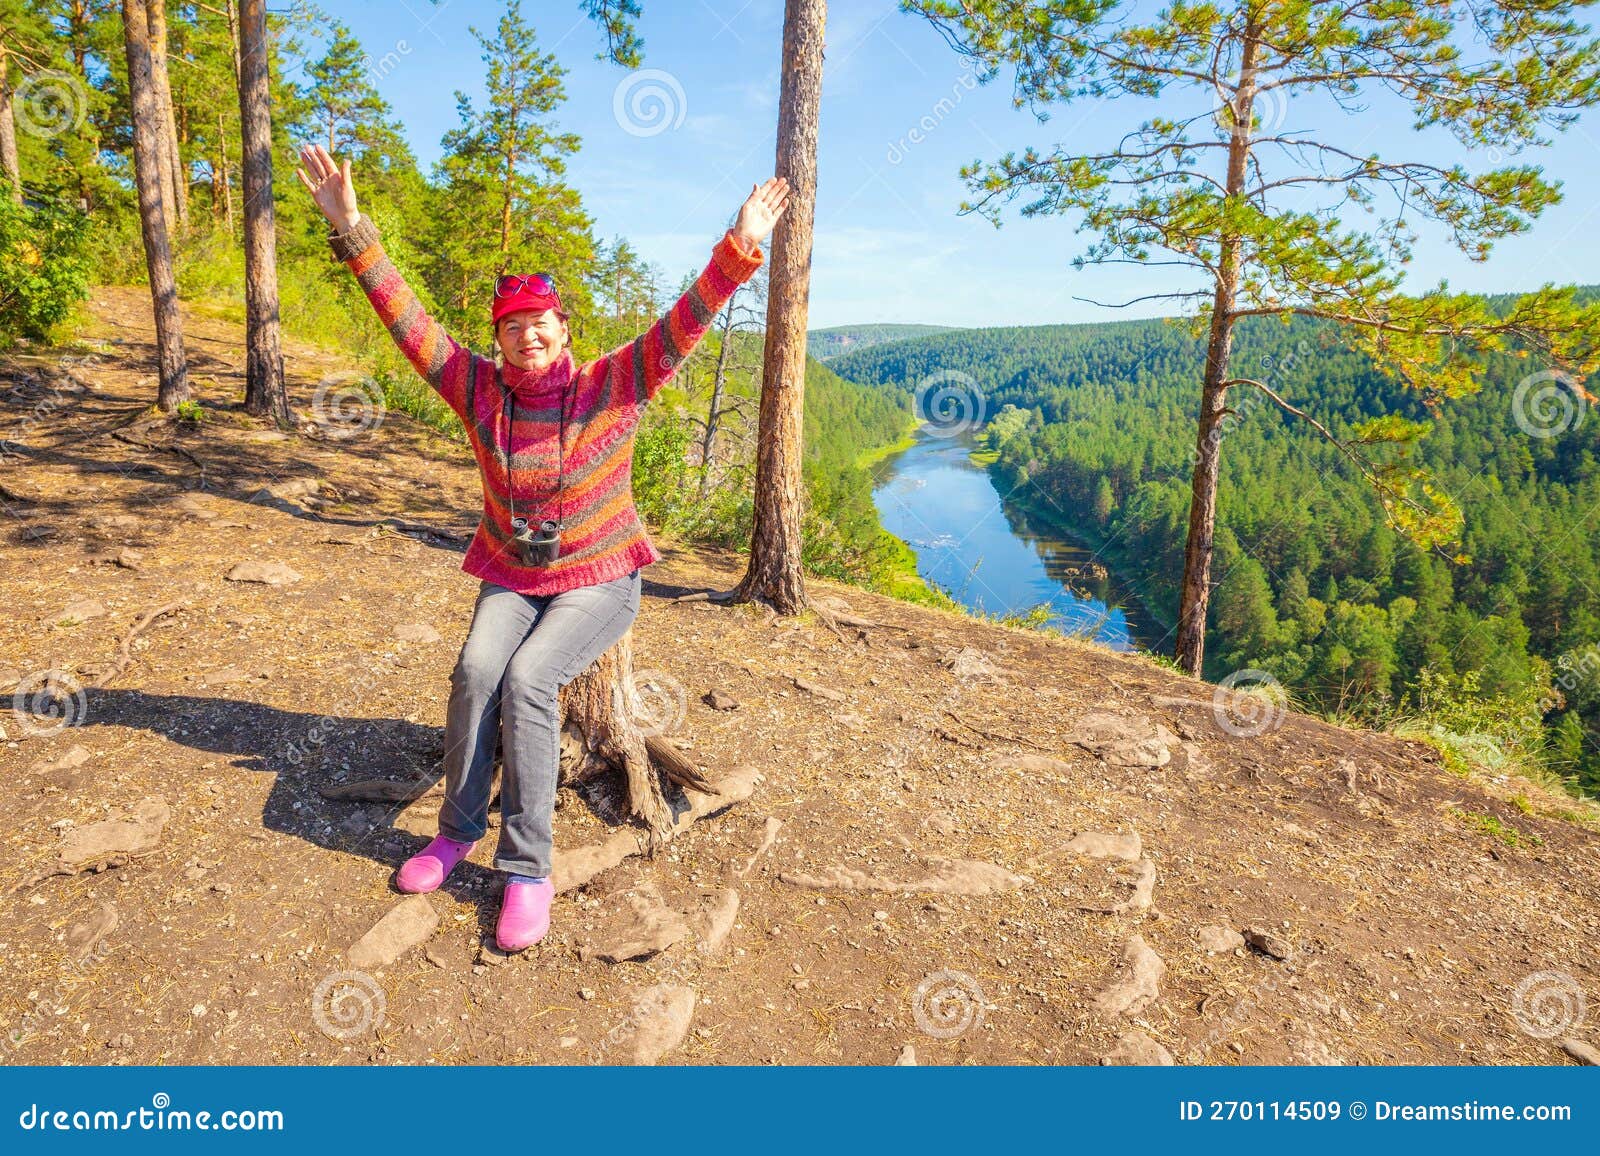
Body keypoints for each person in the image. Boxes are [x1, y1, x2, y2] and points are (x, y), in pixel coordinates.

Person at [294, 143, 788, 951]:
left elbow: (685, 323)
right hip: (513, 574)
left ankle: (526, 867)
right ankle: (455, 833)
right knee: (475, 670)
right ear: (499, 338)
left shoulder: (614, 384)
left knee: (527, 680)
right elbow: (406, 319)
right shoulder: (475, 388)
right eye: (514, 326)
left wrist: (737, 248)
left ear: (565, 330)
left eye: (542, 324)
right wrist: (353, 230)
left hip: (598, 577)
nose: (529, 337)